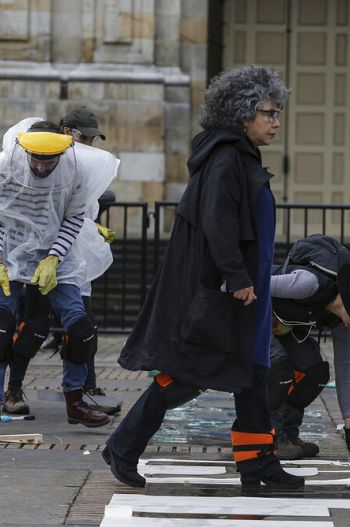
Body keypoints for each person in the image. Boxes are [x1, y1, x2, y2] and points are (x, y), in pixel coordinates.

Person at [102, 64, 302, 490]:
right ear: (243, 113)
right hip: (226, 292)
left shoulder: (236, 155)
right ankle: (123, 445)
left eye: (277, 112)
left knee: (250, 372)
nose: (276, 121)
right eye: (269, 112)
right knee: (190, 374)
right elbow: (218, 223)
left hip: (243, 288)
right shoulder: (227, 157)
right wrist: (237, 276)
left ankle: (258, 464)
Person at [0, 118, 119, 434]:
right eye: (37, 159)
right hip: (11, 249)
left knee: (81, 327)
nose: (43, 166)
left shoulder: (77, 169)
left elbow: (75, 219)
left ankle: (75, 401)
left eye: (50, 160)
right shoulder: (7, 165)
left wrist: (53, 258)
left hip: (56, 253)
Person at [2, 106, 119, 416]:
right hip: (39, 259)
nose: (91, 146)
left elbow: (77, 211)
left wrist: (91, 229)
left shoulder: (79, 167)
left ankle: (78, 395)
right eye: (86, 138)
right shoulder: (42, 158)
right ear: (68, 133)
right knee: (35, 326)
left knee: (81, 327)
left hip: (70, 260)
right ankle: (13, 390)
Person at [269, 247, 350, 459]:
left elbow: (343, 373)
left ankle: (288, 433)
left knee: (314, 371)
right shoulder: (307, 284)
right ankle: (269, 438)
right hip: (253, 314)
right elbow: (255, 284)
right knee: (280, 367)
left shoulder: (343, 324)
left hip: (284, 326)